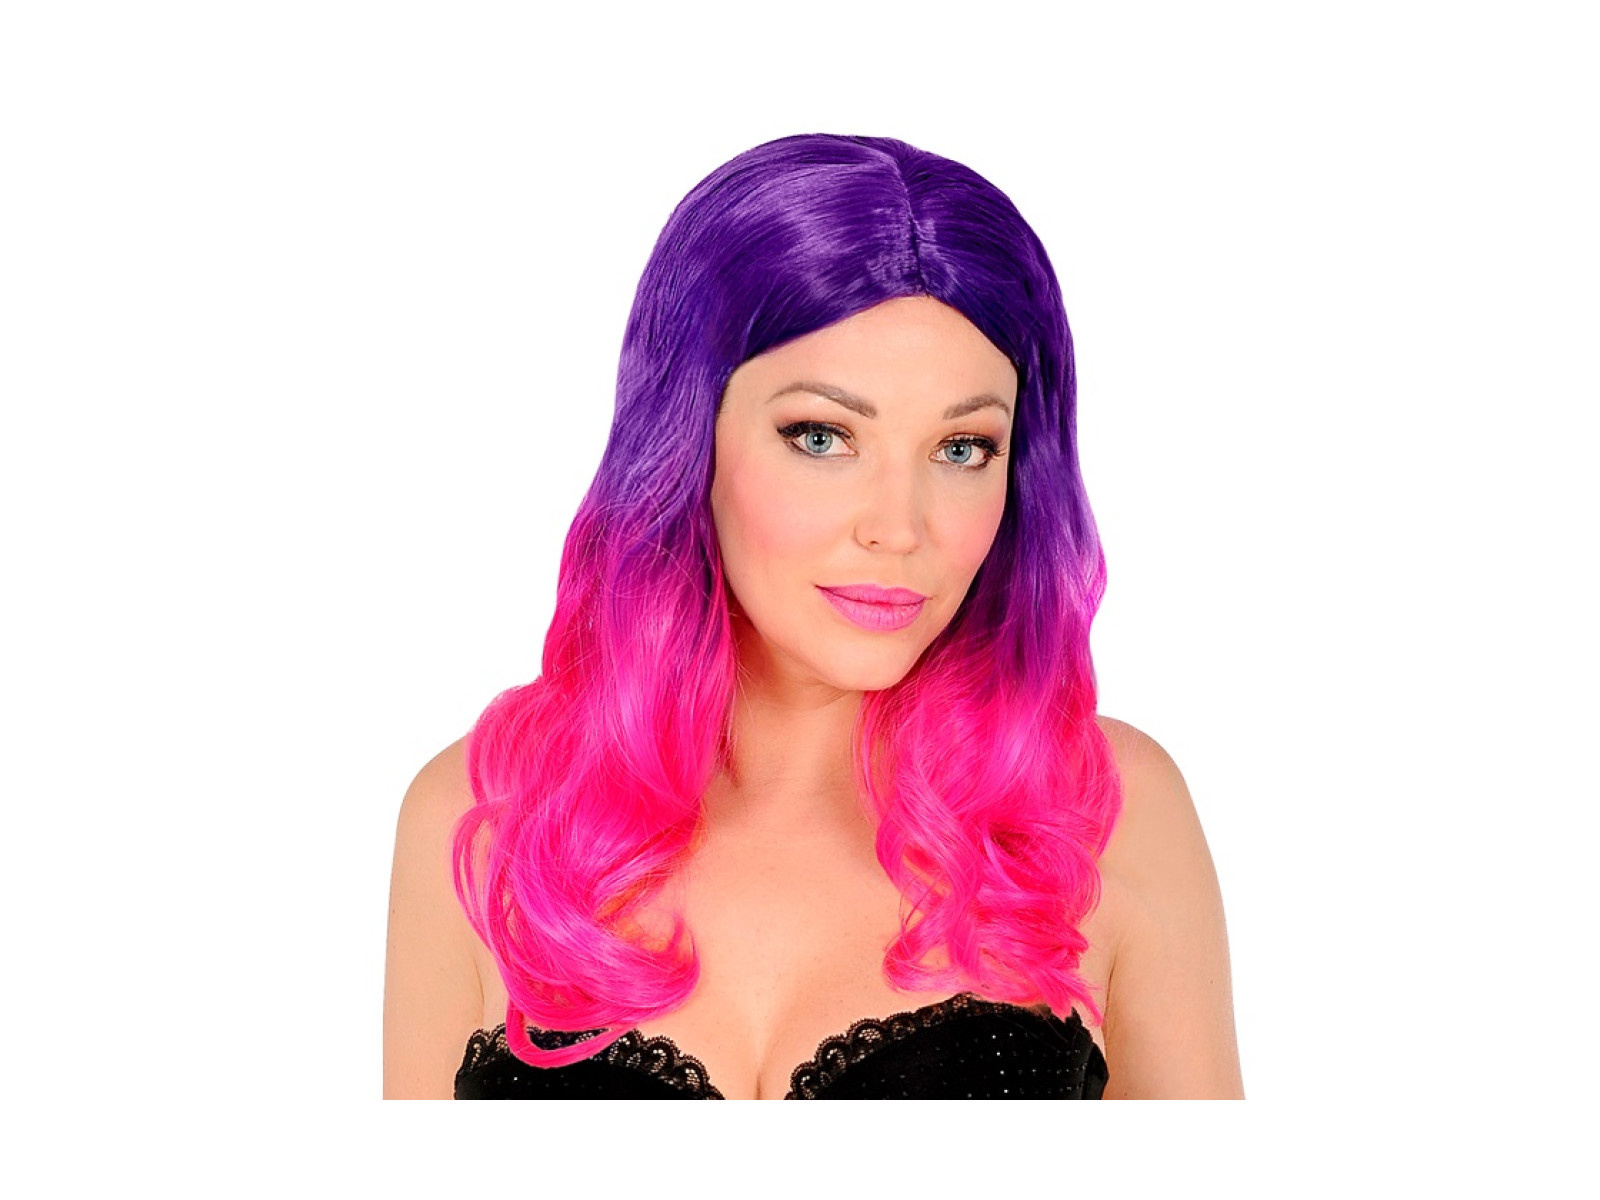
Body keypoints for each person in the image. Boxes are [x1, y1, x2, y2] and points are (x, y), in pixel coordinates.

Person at [383, 134, 1243, 1099]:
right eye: (823, 436)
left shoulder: (1102, 812)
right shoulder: (482, 819)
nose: (899, 529)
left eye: (962, 448)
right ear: (689, 437)